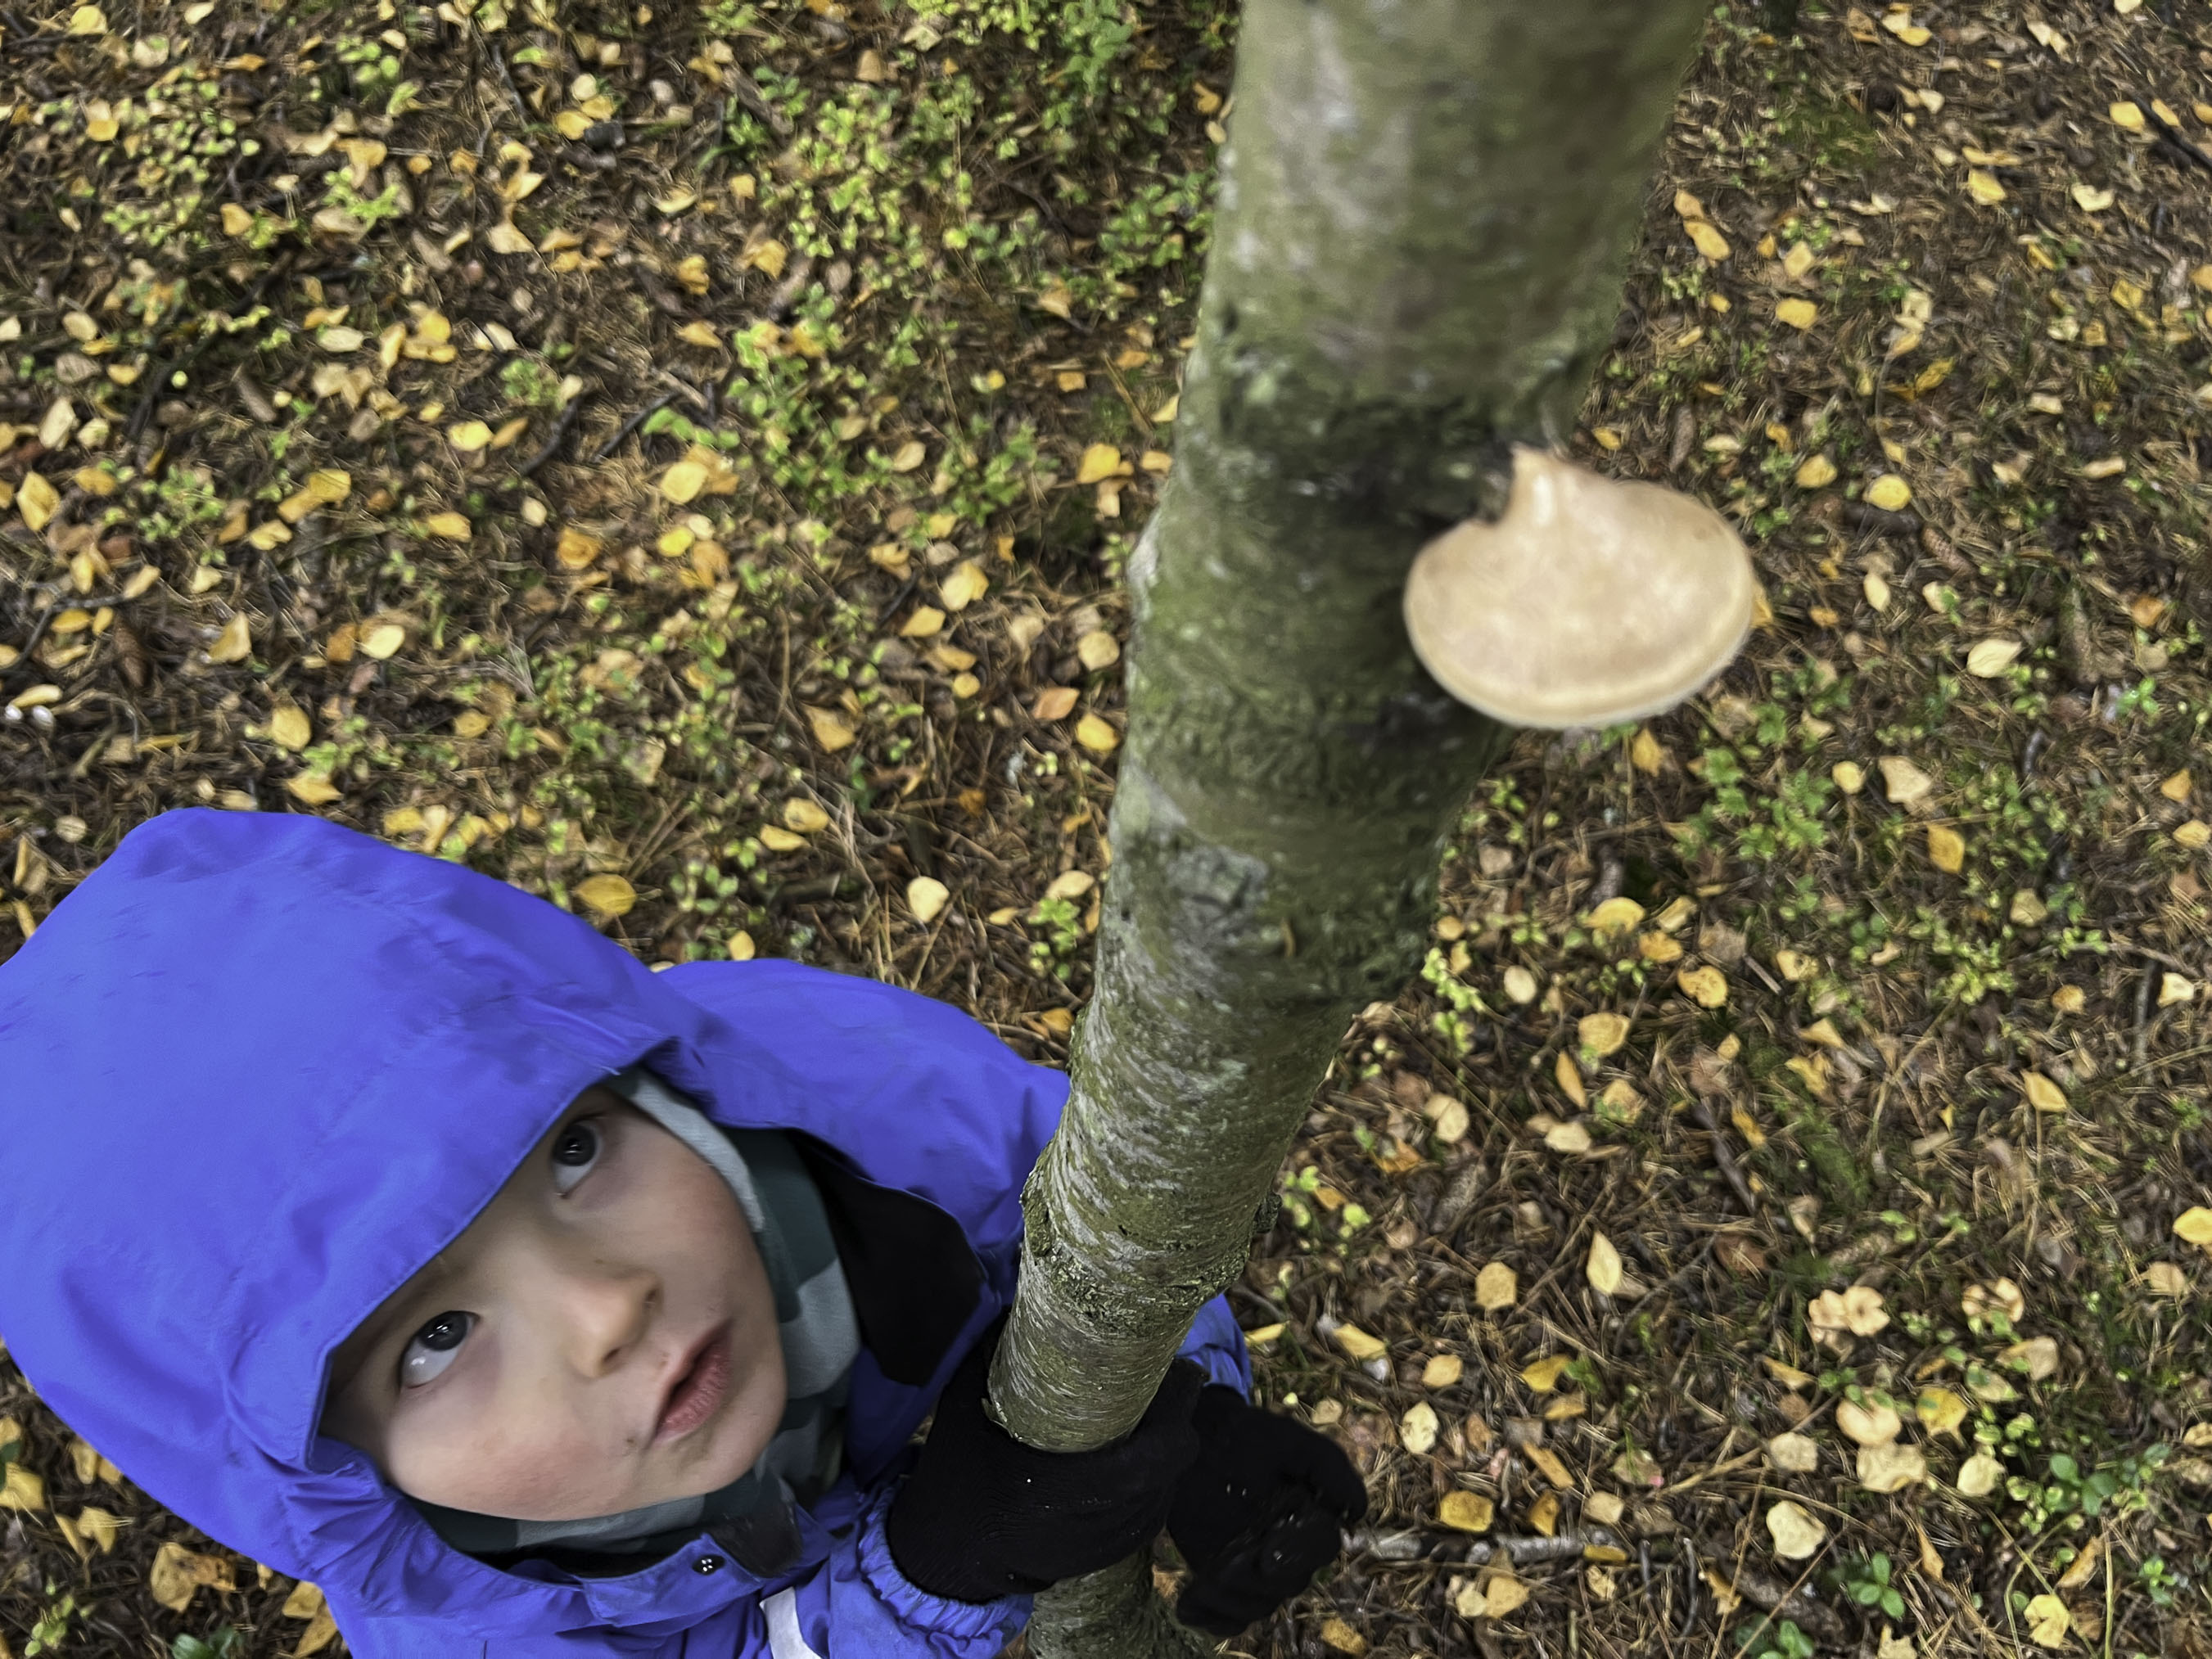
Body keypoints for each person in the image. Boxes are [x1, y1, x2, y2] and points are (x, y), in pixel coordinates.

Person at [0, 810, 1366, 1658]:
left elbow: (1105, 1232)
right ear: (342, 1472)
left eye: (573, 1153)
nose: (607, 1309)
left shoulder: (867, 1099)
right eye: (436, 1339)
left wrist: (1178, 1412)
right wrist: (924, 1576)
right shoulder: (481, 1635)